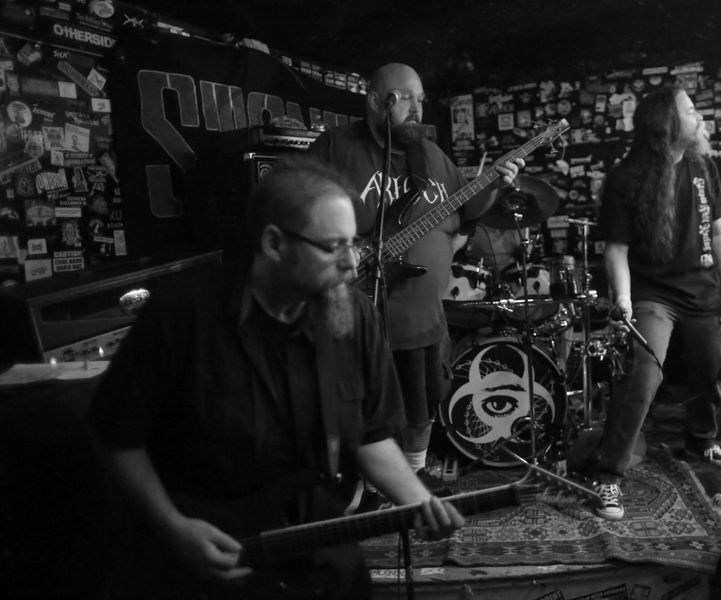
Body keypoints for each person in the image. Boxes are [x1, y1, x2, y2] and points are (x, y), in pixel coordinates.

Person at [88, 157, 464, 599]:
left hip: (324, 562)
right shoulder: (180, 315)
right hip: (212, 570)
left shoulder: (354, 316)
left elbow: (371, 435)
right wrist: (173, 528)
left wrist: (417, 500)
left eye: (354, 243)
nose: (352, 263)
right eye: (333, 247)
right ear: (274, 243)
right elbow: (118, 438)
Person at [308, 63, 522, 502]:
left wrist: (494, 186)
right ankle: (369, 489)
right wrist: (340, 249)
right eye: (405, 97)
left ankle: (415, 477)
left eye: (420, 99)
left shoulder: (432, 156)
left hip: (424, 311)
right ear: (375, 100)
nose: (416, 107)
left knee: (422, 399)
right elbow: (298, 206)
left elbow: (467, 212)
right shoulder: (336, 147)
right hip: (360, 310)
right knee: (369, 403)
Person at [590, 85, 721, 521]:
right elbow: (616, 249)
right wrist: (623, 299)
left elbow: (719, 231)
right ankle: (608, 474)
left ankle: (701, 441)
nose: (699, 117)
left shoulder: (703, 166)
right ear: (666, 123)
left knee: (712, 369)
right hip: (653, 293)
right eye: (690, 111)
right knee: (644, 374)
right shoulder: (626, 178)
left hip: (704, 290)